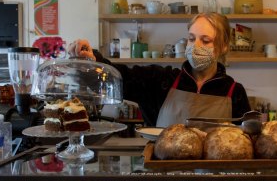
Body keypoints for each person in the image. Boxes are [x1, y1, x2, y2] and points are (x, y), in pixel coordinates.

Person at [70, 12, 251, 127]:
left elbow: (247, 145)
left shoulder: (235, 92)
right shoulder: (160, 81)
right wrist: (91, 60)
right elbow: (116, 78)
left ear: (223, 46)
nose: (195, 46)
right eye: (191, 38)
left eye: (205, 41)